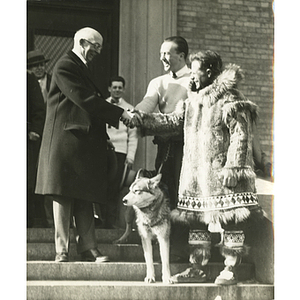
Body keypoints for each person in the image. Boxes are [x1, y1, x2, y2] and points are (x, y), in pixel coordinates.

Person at [129, 50, 263, 285]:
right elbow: (172, 121)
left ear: (209, 72)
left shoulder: (230, 99)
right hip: (196, 175)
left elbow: (241, 135)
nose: (191, 75)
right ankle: (197, 267)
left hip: (222, 174)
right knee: (196, 220)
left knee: (231, 219)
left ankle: (231, 269)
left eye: (195, 70)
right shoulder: (191, 101)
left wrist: (233, 168)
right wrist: (142, 119)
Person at [35, 27, 132, 263]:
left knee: (85, 195)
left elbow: (88, 105)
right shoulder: (65, 65)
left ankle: (89, 248)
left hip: (81, 142)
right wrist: (121, 114)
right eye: (94, 46)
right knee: (62, 196)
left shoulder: (80, 66)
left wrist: (105, 137)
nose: (97, 52)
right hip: (65, 142)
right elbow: (83, 99)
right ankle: (62, 250)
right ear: (81, 42)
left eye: (99, 47)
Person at [121, 36, 191, 260]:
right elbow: (147, 103)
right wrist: (135, 114)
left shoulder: (194, 80)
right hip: (165, 147)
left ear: (181, 55)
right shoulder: (157, 82)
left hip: (188, 148)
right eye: (161, 53)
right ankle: (169, 248)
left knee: (186, 194)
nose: (162, 57)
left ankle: (184, 247)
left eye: (167, 53)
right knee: (166, 191)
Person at [103, 76, 138, 229]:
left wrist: (130, 157)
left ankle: (111, 223)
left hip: (120, 153)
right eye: (114, 87)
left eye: (120, 87)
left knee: (114, 187)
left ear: (123, 89)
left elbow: (133, 136)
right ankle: (100, 221)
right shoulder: (102, 105)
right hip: (103, 152)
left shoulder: (129, 109)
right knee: (101, 185)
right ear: (109, 89)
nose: (117, 90)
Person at [28, 49, 54, 227]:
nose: (38, 68)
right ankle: (34, 216)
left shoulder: (54, 81)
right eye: (34, 66)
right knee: (30, 174)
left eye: (41, 64)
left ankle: (47, 219)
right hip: (33, 137)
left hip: (51, 133)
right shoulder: (28, 81)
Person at [27, 71, 46, 227]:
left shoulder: (28, 78)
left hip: (26, 137)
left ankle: (29, 219)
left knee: (27, 179)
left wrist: (35, 129)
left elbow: (39, 109)